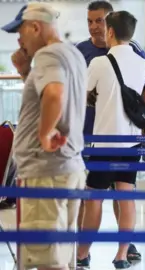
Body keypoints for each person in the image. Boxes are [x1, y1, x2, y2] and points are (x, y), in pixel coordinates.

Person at [1, 2, 87, 270]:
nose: (19, 39)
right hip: (67, 168)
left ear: (35, 27)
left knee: (48, 261)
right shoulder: (72, 55)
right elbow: (50, 96)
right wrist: (26, 72)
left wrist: (45, 133)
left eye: (21, 31)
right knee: (60, 255)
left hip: (45, 172)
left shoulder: (48, 55)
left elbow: (54, 94)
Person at [75, 1, 145, 265]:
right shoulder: (141, 62)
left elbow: (82, 94)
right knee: (126, 194)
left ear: (110, 31)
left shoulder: (99, 62)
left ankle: (82, 253)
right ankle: (122, 254)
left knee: (93, 198)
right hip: (131, 142)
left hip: (105, 142)